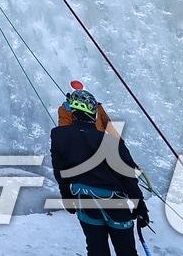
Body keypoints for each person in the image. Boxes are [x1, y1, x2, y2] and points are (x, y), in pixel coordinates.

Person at [49, 85, 148, 256]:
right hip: (115, 202)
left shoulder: (59, 136)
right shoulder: (111, 142)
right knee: (126, 251)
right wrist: (140, 205)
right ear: (94, 113)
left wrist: (67, 196)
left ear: (72, 111)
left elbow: (60, 171)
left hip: (84, 200)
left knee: (96, 250)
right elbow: (128, 175)